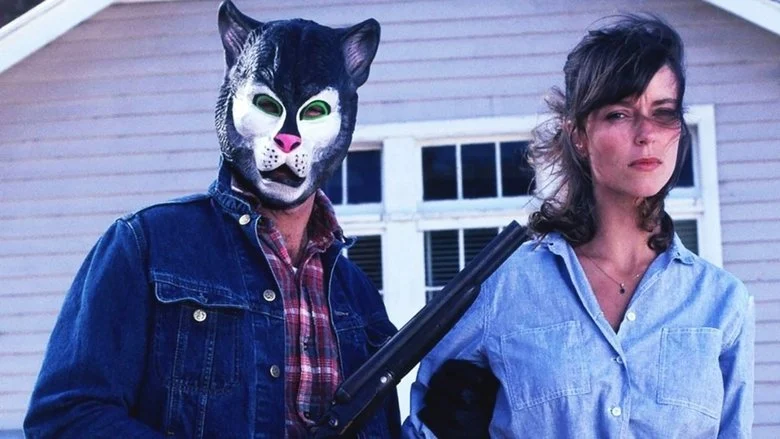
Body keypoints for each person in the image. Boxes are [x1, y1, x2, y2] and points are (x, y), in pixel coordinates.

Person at [24, 1, 400, 438]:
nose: (288, 139)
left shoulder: (359, 298)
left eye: (315, 112)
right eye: (265, 104)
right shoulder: (146, 247)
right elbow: (66, 418)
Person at [403, 14, 754, 438]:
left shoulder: (722, 302)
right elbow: (423, 426)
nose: (646, 134)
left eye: (663, 113)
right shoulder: (505, 286)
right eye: (619, 114)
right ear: (579, 136)